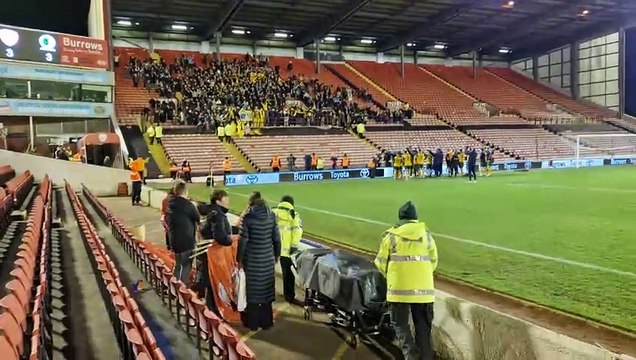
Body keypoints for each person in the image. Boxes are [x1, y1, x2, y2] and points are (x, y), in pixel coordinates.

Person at [374, 201, 438, 360]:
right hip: (424, 292)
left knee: (400, 324)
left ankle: (410, 354)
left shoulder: (391, 237)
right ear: (416, 218)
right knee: (423, 329)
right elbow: (434, 262)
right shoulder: (427, 236)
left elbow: (380, 263)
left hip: (399, 291)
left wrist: (393, 277)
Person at [237, 191, 281, 331]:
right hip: (267, 258)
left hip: (252, 259)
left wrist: (239, 259)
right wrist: (276, 256)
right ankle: (267, 322)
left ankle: (253, 323)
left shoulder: (248, 217)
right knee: (266, 290)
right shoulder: (271, 215)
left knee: (253, 292)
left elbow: (242, 241)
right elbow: (277, 239)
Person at [198, 189, 233, 311]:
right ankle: (212, 312)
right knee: (212, 283)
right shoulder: (218, 214)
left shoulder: (212, 212)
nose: (228, 201)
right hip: (212, 255)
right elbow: (220, 236)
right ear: (218, 201)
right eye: (225, 199)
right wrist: (230, 240)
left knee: (207, 281)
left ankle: (209, 308)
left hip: (206, 253)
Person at [167, 181, 201, 285]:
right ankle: (182, 290)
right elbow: (197, 218)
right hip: (187, 241)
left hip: (174, 240)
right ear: (185, 192)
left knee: (178, 264)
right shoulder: (188, 205)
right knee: (186, 266)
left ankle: (174, 287)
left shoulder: (170, 204)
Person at [161, 182, 177, 250]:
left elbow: (163, 210)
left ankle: (169, 246)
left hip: (165, 218)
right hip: (170, 218)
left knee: (168, 232)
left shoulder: (165, 199)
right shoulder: (173, 200)